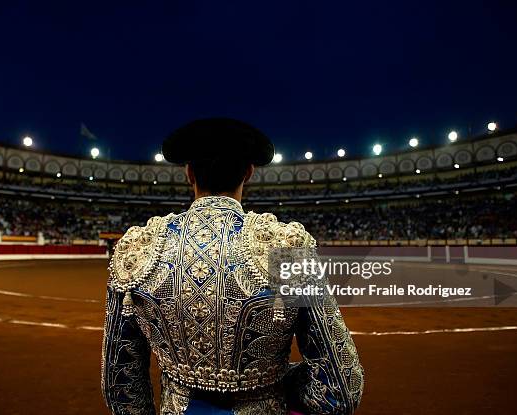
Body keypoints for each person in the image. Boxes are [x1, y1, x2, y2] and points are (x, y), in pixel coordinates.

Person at [101, 118, 364, 414]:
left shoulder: (140, 246)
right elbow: (341, 386)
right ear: (249, 172)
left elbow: (121, 382)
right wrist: (277, 381)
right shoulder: (285, 247)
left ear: (189, 174)